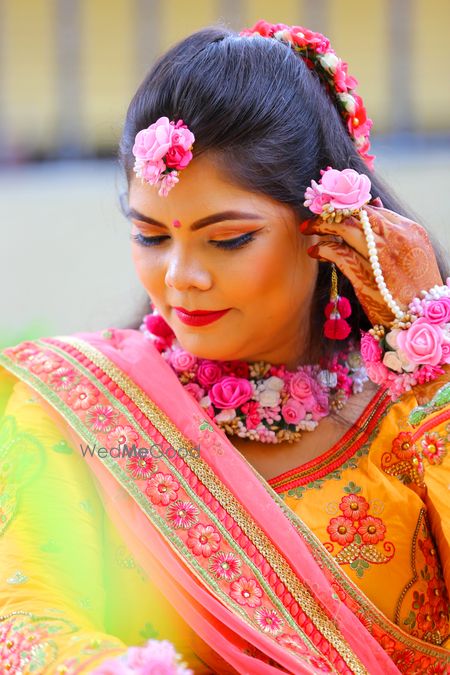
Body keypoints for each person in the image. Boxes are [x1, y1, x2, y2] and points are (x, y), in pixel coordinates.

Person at [0, 18, 449, 675]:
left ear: (327, 228)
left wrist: (428, 355)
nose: (181, 276)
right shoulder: (83, 407)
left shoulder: (414, 410)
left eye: (228, 239)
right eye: (152, 236)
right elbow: (24, 625)